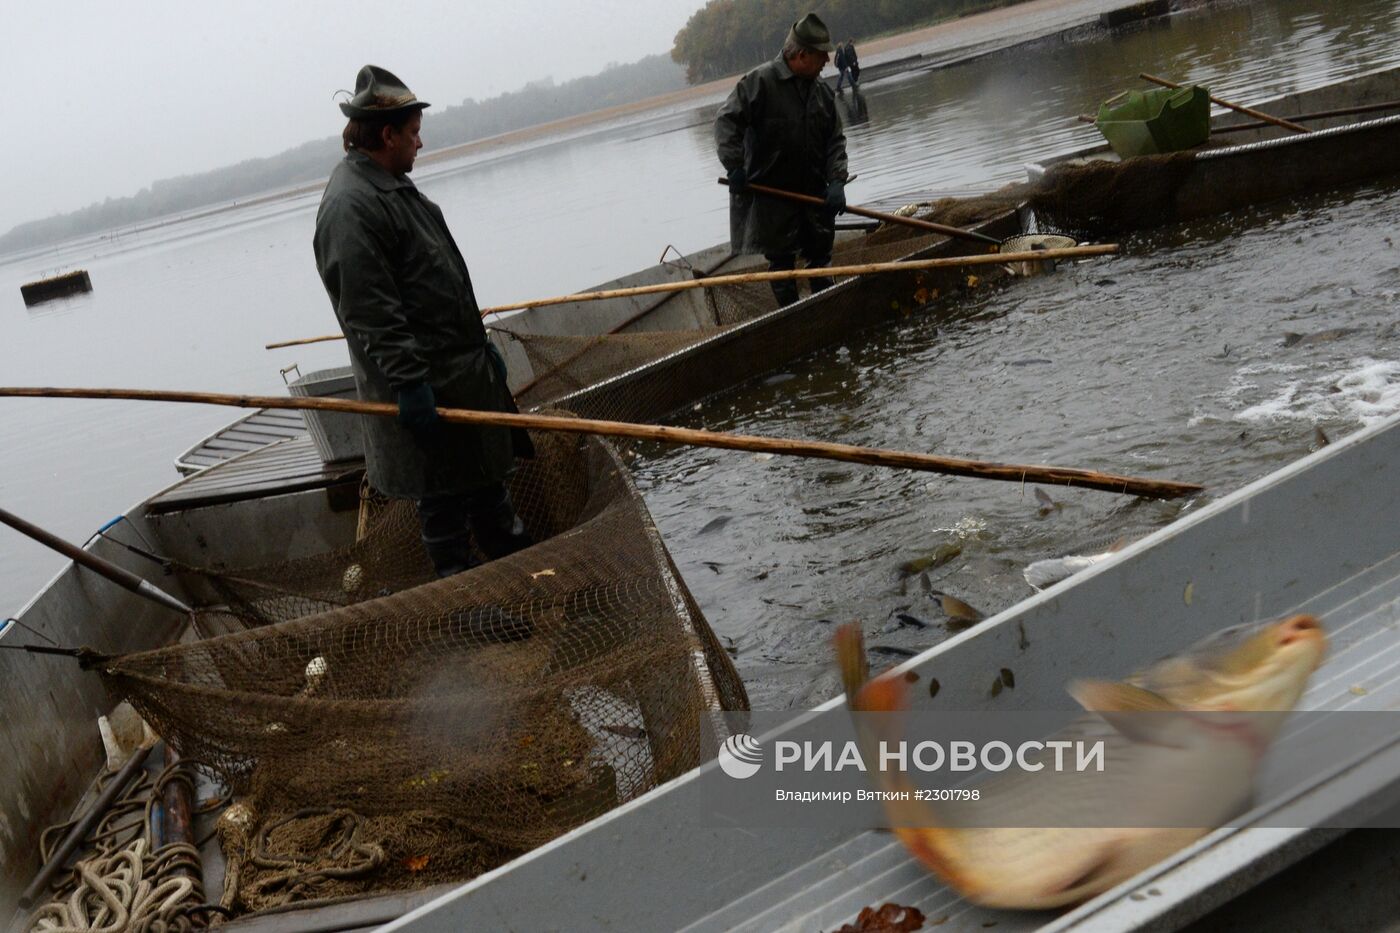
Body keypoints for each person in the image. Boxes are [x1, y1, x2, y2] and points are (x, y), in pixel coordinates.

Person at [313, 65, 534, 578]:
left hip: (460, 378)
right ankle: (464, 607)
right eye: (412, 133)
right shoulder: (350, 207)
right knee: (443, 512)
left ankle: (524, 578)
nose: (421, 142)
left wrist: (479, 350)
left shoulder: (387, 184)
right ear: (385, 135)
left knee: (487, 497)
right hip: (426, 393)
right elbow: (370, 313)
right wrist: (410, 384)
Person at [715, 13, 850, 308]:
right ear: (802, 55)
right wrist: (734, 165)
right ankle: (793, 316)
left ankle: (828, 309)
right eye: (821, 55)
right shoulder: (760, 82)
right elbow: (726, 122)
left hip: (814, 192)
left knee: (820, 259)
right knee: (782, 264)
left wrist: (837, 179)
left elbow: (835, 141)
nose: (827, 60)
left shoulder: (822, 93)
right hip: (771, 196)